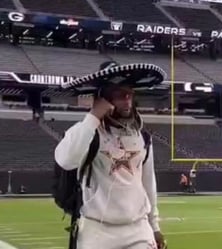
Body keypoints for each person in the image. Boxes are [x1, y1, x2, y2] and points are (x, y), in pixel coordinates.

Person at [55, 61, 167, 249]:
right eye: (119, 94)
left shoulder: (143, 137)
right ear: (103, 98)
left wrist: (154, 225)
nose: (127, 100)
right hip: (97, 231)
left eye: (129, 94)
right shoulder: (86, 132)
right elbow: (66, 160)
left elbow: (148, 183)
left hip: (138, 228)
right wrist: (93, 116)